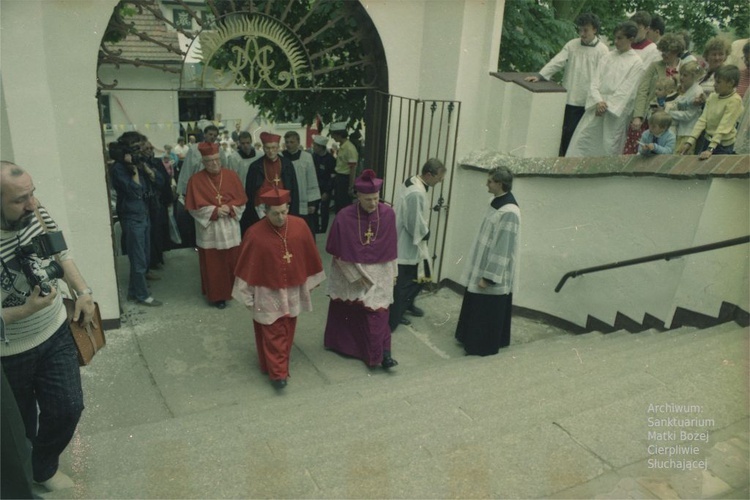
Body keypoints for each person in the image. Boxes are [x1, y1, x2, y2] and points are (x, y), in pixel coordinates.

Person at [0, 161, 95, 491]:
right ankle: (26, 478)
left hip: (55, 332)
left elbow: (60, 253)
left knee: (68, 407)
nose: (33, 204)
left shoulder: (36, 212)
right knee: (20, 428)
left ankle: (44, 467)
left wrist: (83, 291)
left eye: (32, 193)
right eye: (19, 199)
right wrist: (21, 312)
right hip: (8, 353)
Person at [232, 188, 325, 389]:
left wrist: (307, 283)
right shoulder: (255, 234)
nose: (281, 217)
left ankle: (273, 365)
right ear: (265, 211)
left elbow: (308, 254)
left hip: (291, 288)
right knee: (272, 330)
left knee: (288, 327)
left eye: (284, 211)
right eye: (275, 213)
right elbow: (247, 265)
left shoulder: (299, 226)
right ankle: (278, 374)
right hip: (267, 290)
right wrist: (248, 296)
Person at [324, 170, 399, 369]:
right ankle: (347, 346)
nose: (373, 204)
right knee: (351, 308)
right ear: (358, 196)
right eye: (368, 200)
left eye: (375, 199)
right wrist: (353, 276)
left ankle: (382, 355)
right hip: (353, 268)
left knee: (378, 311)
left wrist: (394, 272)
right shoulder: (344, 216)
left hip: (381, 269)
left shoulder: (388, 214)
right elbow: (337, 251)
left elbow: (392, 249)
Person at [455, 166, 520, 356]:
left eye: (490, 181)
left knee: (486, 310)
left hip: (492, 271)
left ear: (500, 184)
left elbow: (503, 247)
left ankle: (481, 346)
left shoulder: (509, 211)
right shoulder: (495, 201)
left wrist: (489, 277)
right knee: (476, 305)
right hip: (482, 263)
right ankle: (468, 338)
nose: (486, 184)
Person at [524, 13, 609, 156]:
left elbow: (604, 76)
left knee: (584, 138)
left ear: (594, 29)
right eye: (580, 30)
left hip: (590, 101)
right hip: (571, 98)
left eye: (586, 30)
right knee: (567, 134)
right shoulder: (572, 45)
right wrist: (541, 75)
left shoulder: (603, 50)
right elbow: (558, 61)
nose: (582, 34)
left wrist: (600, 99)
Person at [566, 21, 645, 157]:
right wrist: (598, 101)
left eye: (620, 38)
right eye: (615, 38)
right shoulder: (607, 57)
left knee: (608, 145)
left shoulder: (636, 62)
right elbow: (594, 81)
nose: (616, 41)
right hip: (596, 106)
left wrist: (608, 106)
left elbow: (627, 90)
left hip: (613, 112)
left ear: (630, 39)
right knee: (582, 141)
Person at [185, 142, 247, 309]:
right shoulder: (195, 180)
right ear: (203, 162)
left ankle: (233, 291)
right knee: (214, 264)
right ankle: (217, 296)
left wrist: (230, 207)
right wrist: (214, 211)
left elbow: (242, 201)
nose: (214, 163)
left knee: (232, 260)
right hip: (210, 230)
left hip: (229, 226)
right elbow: (193, 208)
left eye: (216, 159)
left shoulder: (232, 176)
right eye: (210, 161)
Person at [389, 159, 446, 331]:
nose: (440, 181)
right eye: (439, 177)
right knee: (406, 283)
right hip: (407, 242)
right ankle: (395, 316)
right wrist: (425, 233)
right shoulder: (416, 193)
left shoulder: (414, 180)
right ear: (429, 174)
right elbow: (412, 222)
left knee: (423, 276)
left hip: (411, 240)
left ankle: (407, 306)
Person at [109, 132, 163, 306]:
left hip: (143, 214)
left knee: (144, 256)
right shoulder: (119, 168)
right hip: (132, 216)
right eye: (136, 148)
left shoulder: (140, 164)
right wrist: (133, 169)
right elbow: (135, 190)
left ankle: (134, 291)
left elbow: (159, 181)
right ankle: (142, 295)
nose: (140, 151)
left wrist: (145, 168)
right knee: (138, 258)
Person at [624, 32, 685, 154]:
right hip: (651, 117)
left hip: (674, 121)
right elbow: (642, 90)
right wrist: (638, 116)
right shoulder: (655, 66)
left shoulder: (685, 68)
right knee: (641, 150)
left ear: (676, 51)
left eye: (668, 51)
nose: (664, 54)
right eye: (662, 50)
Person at [239, 132, 300, 235]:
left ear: (279, 147)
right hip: (262, 210)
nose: (271, 151)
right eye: (268, 148)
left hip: (283, 208)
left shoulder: (287, 164)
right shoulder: (255, 166)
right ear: (263, 148)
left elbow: (294, 190)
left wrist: (294, 212)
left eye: (274, 148)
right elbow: (250, 193)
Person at [679, 64, 744, 159]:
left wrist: (711, 149)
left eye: (718, 82)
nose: (714, 85)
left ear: (730, 83)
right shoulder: (712, 97)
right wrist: (690, 141)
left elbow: (724, 126)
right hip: (708, 140)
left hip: (723, 145)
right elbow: (703, 119)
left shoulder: (735, 101)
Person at [282, 131, 320, 236]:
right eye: (287, 142)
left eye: (292, 142)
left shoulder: (307, 157)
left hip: (303, 198)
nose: (289, 144)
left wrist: (312, 203)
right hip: (287, 198)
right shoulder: (281, 157)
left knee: (305, 229)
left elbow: (312, 179)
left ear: (298, 142)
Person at [670, 61, 706, 154]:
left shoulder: (697, 91)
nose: (681, 78)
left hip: (688, 132)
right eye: (681, 74)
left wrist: (670, 113)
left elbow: (688, 115)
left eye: (685, 75)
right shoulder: (685, 89)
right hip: (680, 130)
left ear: (694, 76)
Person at [330, 121, 358, 213]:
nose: (332, 137)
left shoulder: (349, 148)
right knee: (338, 206)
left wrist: (351, 186)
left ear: (339, 134)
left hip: (345, 180)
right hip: (340, 178)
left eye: (333, 135)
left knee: (344, 207)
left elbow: (353, 169)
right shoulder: (342, 147)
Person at [311, 135, 336, 233]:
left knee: (324, 208)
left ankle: (323, 229)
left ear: (321, 147)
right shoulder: (314, 157)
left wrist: (327, 191)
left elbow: (332, 177)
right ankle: (316, 227)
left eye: (315, 146)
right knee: (314, 208)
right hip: (315, 187)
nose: (313, 147)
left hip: (325, 188)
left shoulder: (330, 160)